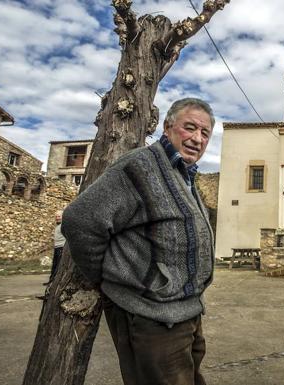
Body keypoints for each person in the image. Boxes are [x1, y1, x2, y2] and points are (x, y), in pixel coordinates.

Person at [62, 98, 215, 385]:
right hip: (152, 319)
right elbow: (79, 220)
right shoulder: (140, 166)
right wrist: (108, 276)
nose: (197, 138)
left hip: (186, 313)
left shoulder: (184, 176)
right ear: (168, 127)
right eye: (190, 128)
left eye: (205, 133)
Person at [48, 210, 65, 284]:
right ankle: (51, 281)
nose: (57, 218)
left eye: (59, 216)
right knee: (54, 264)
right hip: (57, 247)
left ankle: (56, 281)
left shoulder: (64, 225)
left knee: (58, 265)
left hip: (61, 247)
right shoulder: (58, 226)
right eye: (56, 216)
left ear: (62, 217)